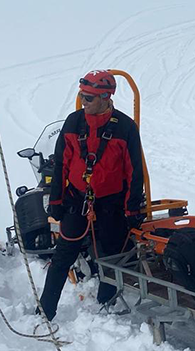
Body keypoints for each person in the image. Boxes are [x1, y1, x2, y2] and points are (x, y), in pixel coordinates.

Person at [39, 70, 146, 320]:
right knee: (63, 256)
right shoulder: (73, 123)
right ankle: (45, 311)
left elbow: (134, 171)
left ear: (106, 97)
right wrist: (56, 201)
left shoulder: (125, 128)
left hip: (111, 205)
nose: (83, 102)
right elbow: (61, 165)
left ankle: (105, 304)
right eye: (82, 96)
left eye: (88, 98)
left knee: (109, 258)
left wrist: (132, 210)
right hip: (77, 202)